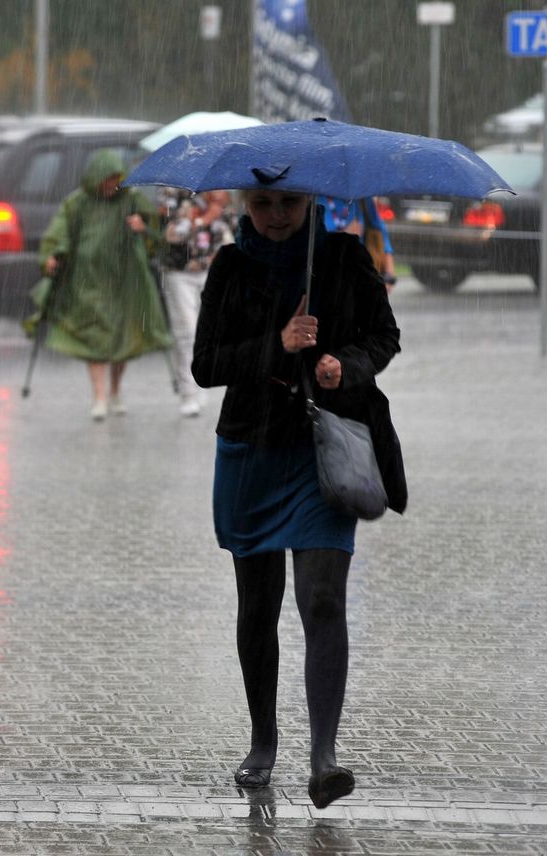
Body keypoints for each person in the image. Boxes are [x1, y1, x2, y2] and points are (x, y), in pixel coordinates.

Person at [191, 188, 406, 809]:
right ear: (245, 204)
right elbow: (206, 364)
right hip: (251, 454)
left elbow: (385, 336)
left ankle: (324, 757)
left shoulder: (342, 258)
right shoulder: (231, 267)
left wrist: (345, 363)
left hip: (324, 453)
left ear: (310, 200)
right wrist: (277, 345)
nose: (277, 215)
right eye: (263, 203)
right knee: (257, 606)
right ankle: (263, 739)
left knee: (321, 598)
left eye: (288, 201)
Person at [37, 149, 173, 420]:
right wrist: (52, 256)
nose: (112, 185)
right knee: (95, 334)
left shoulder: (132, 199)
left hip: (125, 279)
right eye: (108, 179)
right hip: (87, 278)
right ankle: (99, 396)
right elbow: (59, 232)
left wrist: (142, 228)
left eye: (116, 179)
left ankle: (115, 390)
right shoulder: (77, 203)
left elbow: (159, 237)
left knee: (121, 337)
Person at [159, 188, 237, 417]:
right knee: (187, 332)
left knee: (215, 331)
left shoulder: (223, 192)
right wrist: (203, 216)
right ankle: (188, 392)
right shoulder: (172, 192)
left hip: (214, 270)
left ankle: (204, 378)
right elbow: (171, 234)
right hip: (180, 271)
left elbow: (232, 229)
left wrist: (220, 210)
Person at [319, 196, 397, 293]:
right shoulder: (313, 196)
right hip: (324, 277)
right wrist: (343, 235)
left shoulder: (361, 196)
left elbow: (380, 232)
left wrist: (389, 275)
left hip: (357, 277)